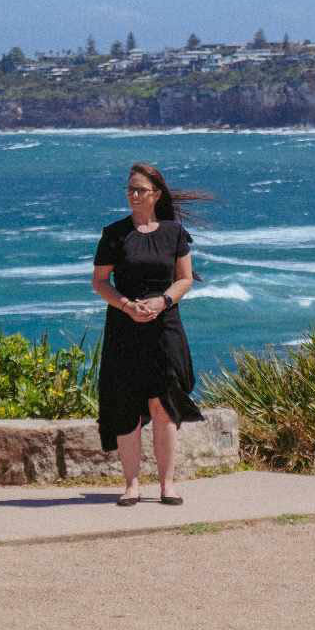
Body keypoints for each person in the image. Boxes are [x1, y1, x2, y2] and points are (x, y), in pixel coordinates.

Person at [91, 161, 208, 505]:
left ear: (156, 194)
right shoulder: (113, 234)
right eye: (129, 190)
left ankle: (167, 485)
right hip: (124, 327)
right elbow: (99, 282)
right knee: (126, 404)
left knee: (163, 405)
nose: (133, 195)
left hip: (164, 326)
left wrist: (163, 301)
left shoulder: (174, 233)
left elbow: (185, 277)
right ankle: (131, 485)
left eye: (140, 190)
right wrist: (127, 305)